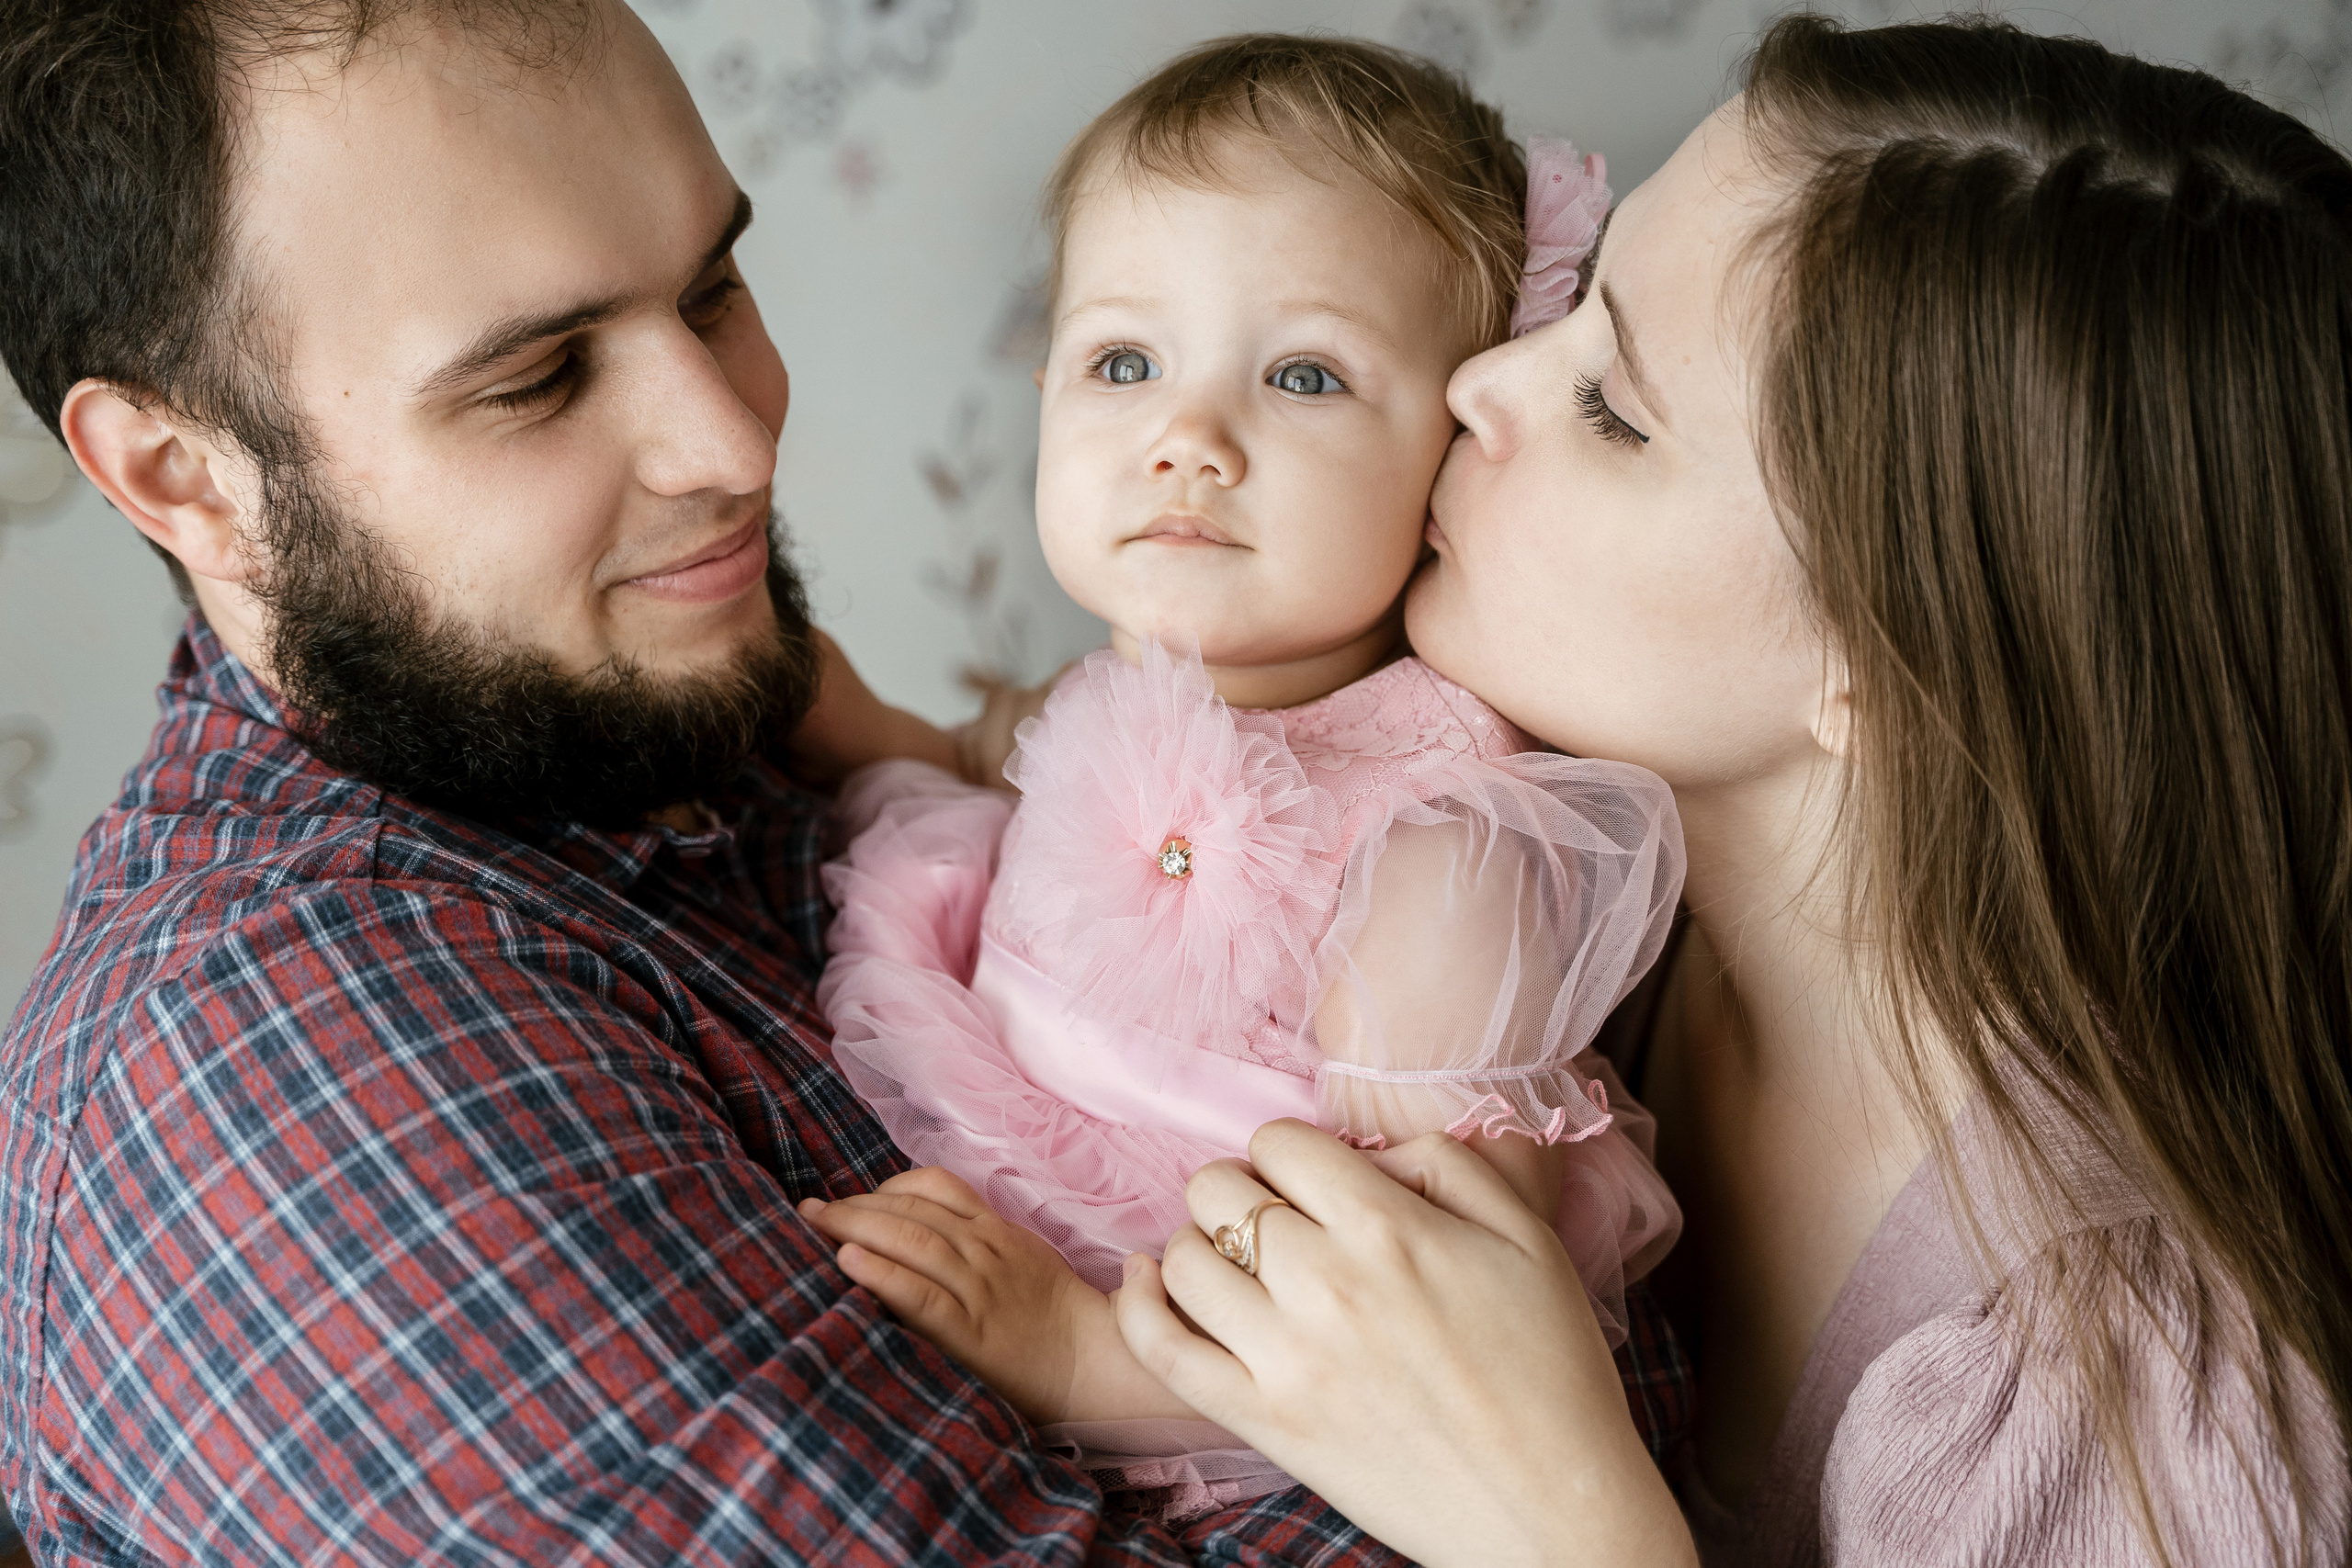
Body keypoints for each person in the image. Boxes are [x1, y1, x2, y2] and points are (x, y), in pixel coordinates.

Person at [0, 2, 1402, 1561]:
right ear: (182, 476)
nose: (735, 441)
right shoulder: (283, 1061)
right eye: (537, 379)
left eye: (714, 285)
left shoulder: (688, 752)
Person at [1098, 15, 2352, 1567]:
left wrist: (1564, 1525)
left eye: (1614, 408)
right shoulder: (1529, 853)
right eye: (1579, 307)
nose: (1483, 380)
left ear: (1894, 669)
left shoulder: (2140, 1417)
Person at [801, 36, 1682, 1514]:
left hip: (1212, 1350)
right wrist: (842, 715)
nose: (1186, 439)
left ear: (1463, 449)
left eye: (1305, 375)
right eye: (1125, 362)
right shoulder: (1130, 674)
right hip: (982, 1152)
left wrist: (1088, 1359)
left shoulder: (1439, 848)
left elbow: (1449, 1329)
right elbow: (1006, 764)